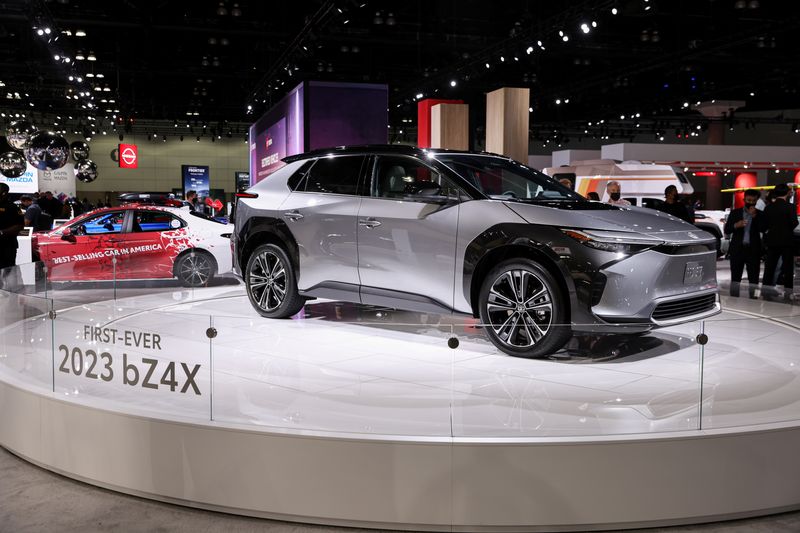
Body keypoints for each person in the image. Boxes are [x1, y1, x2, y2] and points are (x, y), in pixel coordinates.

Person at [761, 183, 798, 295]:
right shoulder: (790, 207)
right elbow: (794, 222)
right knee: (788, 268)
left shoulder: (769, 207)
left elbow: (764, 226)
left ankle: (766, 290)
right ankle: (788, 292)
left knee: (769, 267)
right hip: (787, 241)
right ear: (787, 193)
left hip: (772, 241)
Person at [724, 189, 764, 290]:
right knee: (735, 278)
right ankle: (733, 299)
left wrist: (755, 217)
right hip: (737, 249)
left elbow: (763, 228)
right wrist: (736, 225)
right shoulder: (735, 213)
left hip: (753, 250)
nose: (750, 203)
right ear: (744, 199)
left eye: (753, 201)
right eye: (748, 200)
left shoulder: (760, 214)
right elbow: (727, 230)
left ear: (757, 200)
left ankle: (754, 300)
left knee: (754, 279)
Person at [0, 183, 25, 270]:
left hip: (7, 246)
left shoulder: (13, 207)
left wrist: (2, 232)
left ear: (4, 193)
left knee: (7, 272)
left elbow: (20, 226)